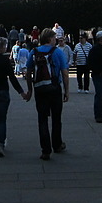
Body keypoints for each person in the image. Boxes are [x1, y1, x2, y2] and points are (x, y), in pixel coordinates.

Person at [25, 28, 70, 160]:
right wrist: (66, 91)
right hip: (54, 88)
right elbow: (65, 73)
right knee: (56, 118)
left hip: (40, 89)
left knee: (42, 119)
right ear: (50, 39)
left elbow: (28, 73)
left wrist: (30, 90)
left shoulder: (33, 52)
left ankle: (45, 150)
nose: (56, 40)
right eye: (55, 38)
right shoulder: (57, 52)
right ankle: (57, 144)